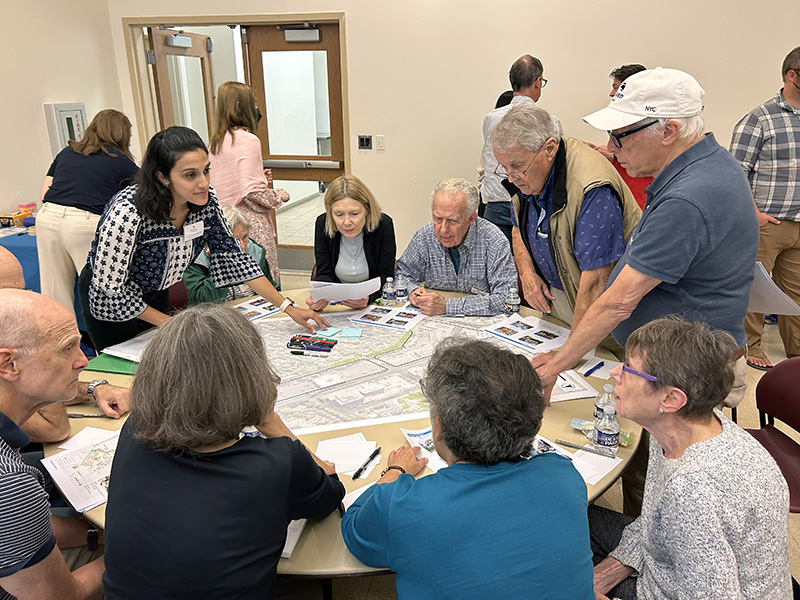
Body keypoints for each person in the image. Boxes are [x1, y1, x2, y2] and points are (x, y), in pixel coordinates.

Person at [532, 68, 758, 516]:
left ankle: (644, 555)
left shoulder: (688, 196)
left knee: (666, 487)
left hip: (684, 371)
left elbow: (620, 298)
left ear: (670, 130)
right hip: (680, 354)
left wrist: (556, 365)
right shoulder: (704, 164)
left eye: (621, 136)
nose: (611, 149)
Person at [102, 304, 345, 599]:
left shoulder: (135, 427)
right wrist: (270, 421)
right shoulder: (277, 462)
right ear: (251, 378)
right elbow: (329, 494)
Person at [341, 338, 594, 599]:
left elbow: (354, 528)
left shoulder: (403, 507)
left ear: (438, 427)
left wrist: (395, 470)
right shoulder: (562, 474)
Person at [589, 317, 790, 600]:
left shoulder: (693, 490)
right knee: (562, 518)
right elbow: (652, 526)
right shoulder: (686, 427)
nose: (614, 373)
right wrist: (604, 575)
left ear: (670, 400)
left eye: (629, 369)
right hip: (668, 570)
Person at [78, 126, 327, 352]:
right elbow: (110, 291)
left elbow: (235, 259)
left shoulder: (206, 203)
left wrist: (287, 307)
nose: (204, 183)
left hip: (155, 292)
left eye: (206, 170)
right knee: (125, 370)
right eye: (190, 175)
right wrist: (172, 323)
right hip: (111, 297)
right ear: (162, 177)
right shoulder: (127, 214)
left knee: (164, 359)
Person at [492, 103, 641, 329]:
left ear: (549, 149)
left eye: (517, 166)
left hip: (603, 311)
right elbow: (517, 227)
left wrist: (569, 351)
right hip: (560, 299)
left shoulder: (592, 188)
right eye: (504, 167)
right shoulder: (528, 177)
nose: (511, 177)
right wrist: (527, 273)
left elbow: (596, 282)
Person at [0, 289, 107, 599]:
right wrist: (134, 549)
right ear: (9, 364)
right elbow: (62, 596)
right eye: (67, 348)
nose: (82, 360)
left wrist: (95, 533)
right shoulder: (10, 484)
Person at [730, 46, 800, 371]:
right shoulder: (759, 118)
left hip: (799, 224)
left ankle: (795, 352)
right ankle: (750, 347)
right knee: (754, 291)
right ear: (792, 76)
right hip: (766, 222)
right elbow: (735, 171)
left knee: (794, 295)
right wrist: (752, 213)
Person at [37, 109, 139, 319]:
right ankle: (101, 346)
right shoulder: (122, 162)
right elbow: (144, 201)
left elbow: (44, 193)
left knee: (55, 294)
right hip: (85, 225)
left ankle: (60, 346)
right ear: (122, 135)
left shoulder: (67, 152)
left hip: (47, 218)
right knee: (97, 294)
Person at [395, 178, 517, 316]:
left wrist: (448, 306)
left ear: (471, 218)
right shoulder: (425, 235)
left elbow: (506, 299)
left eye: (453, 221)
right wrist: (413, 290)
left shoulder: (494, 241)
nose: (443, 230)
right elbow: (402, 273)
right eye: (437, 219)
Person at [209, 81, 290, 286]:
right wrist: (277, 195)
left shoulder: (214, 142)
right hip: (249, 225)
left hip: (224, 222)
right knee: (263, 282)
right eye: (252, 103)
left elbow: (232, 181)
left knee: (236, 286)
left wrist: (259, 178)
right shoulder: (248, 140)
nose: (256, 108)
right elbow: (252, 193)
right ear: (239, 106)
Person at [478, 55, 561, 243]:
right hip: (531, 205)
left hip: (496, 203)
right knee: (533, 267)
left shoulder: (490, 118)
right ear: (538, 82)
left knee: (495, 267)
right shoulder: (550, 122)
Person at [306, 174, 396, 311]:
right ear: (330, 212)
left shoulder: (383, 224)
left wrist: (368, 297)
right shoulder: (322, 224)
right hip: (337, 303)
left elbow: (386, 274)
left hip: (372, 302)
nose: (347, 222)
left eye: (354, 214)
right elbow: (324, 272)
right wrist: (321, 296)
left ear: (367, 209)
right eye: (339, 214)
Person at [584, 65, 652, 210]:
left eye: (616, 88)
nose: (611, 93)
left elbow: (646, 157)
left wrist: (613, 156)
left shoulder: (648, 125)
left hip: (640, 198)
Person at [183, 204, 278, 305]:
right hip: (212, 317)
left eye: (244, 237)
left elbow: (273, 290)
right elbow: (201, 301)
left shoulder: (255, 252)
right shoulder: (195, 258)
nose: (241, 246)